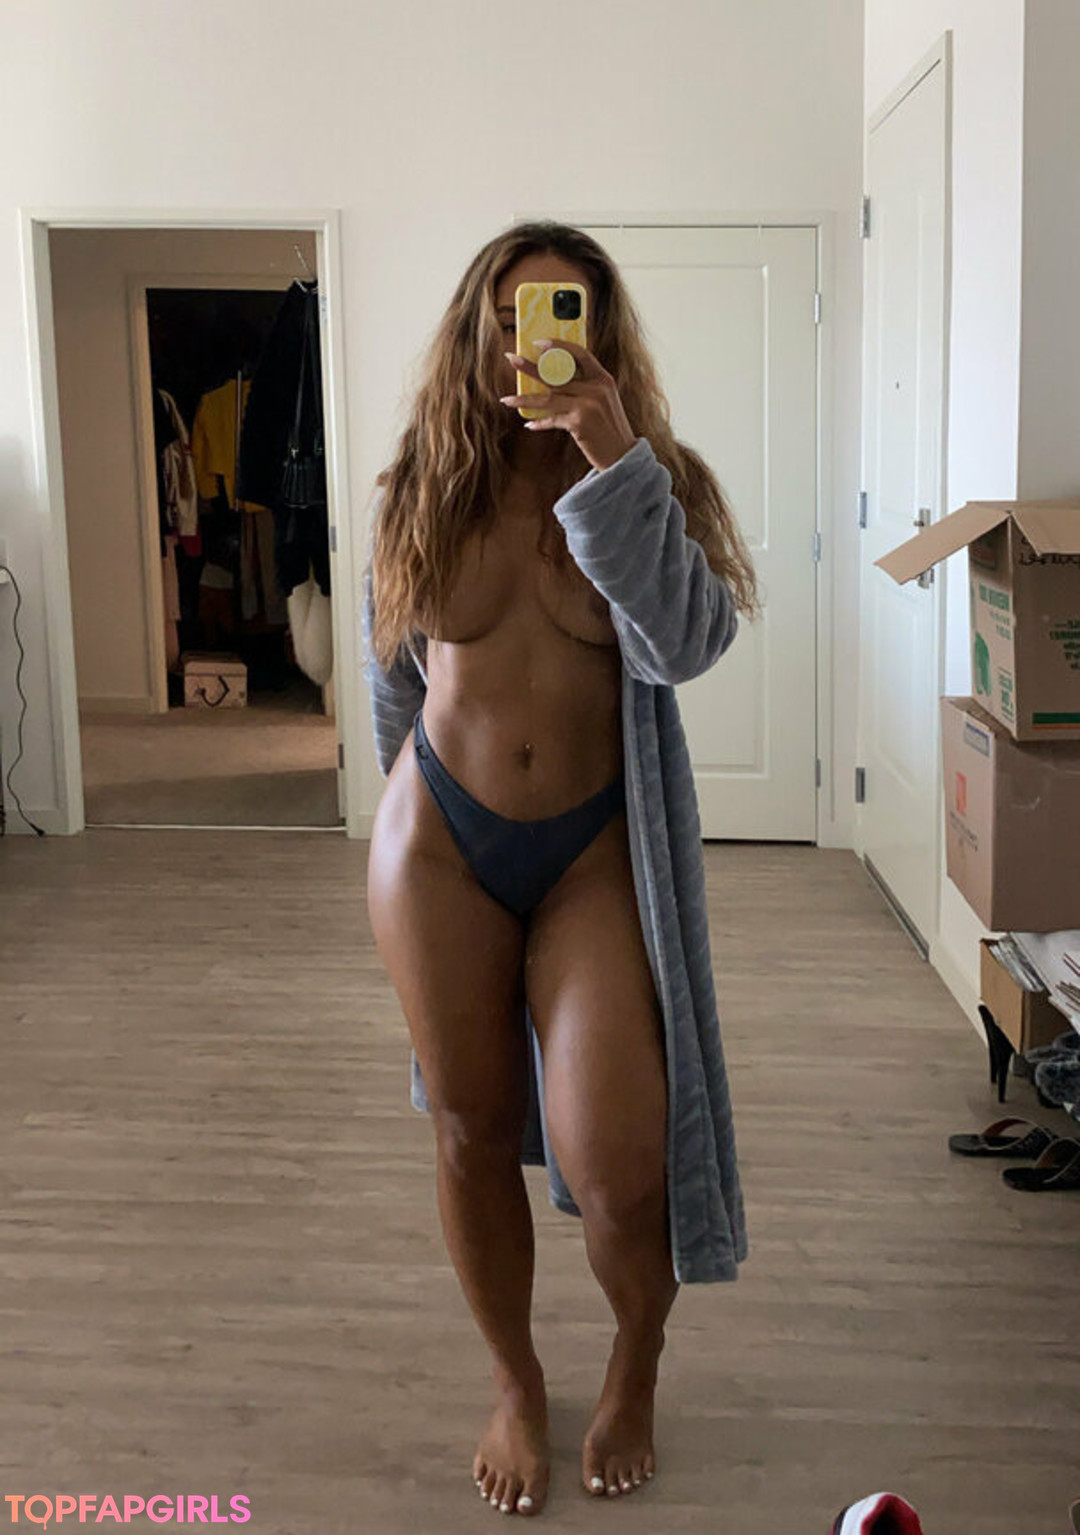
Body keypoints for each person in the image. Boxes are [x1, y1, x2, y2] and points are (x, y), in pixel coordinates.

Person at [362, 221, 758, 1517]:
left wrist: (612, 459)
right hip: (440, 846)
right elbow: (391, 675)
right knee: (469, 1127)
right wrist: (402, 808)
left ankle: (636, 1359)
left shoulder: (651, 479)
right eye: (509, 323)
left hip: (592, 848)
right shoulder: (424, 483)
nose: (532, 347)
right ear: (476, 339)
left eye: (561, 318)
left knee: (618, 1167)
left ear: (599, 335)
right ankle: (518, 1383)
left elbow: (688, 645)